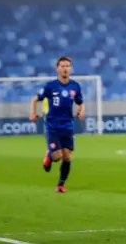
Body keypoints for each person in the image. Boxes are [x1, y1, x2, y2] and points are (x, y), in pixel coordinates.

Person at [30, 56, 84, 193]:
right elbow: (35, 99)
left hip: (67, 126)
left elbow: (80, 102)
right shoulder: (50, 86)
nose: (65, 68)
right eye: (63, 66)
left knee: (67, 157)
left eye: (68, 66)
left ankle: (60, 184)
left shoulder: (75, 86)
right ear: (57, 68)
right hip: (52, 126)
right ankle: (49, 154)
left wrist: (80, 110)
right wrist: (32, 113)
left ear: (70, 69)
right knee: (57, 156)